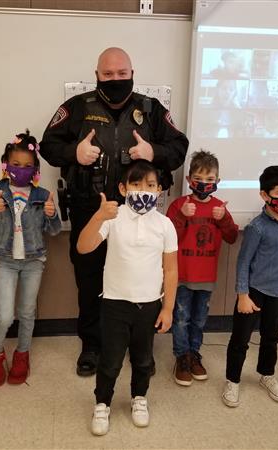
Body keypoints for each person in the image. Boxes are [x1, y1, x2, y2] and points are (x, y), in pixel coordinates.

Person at [39, 47, 188, 377]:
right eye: (108, 74)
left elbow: (179, 147)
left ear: (132, 74)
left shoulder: (151, 110)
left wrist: (153, 151)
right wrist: (74, 153)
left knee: (141, 279)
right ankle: (92, 346)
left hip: (140, 215)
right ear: (97, 75)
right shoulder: (76, 108)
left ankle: (139, 348)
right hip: (89, 209)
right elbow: (47, 146)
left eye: (122, 74)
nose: (116, 79)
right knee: (90, 278)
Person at [76, 160, 177, 436]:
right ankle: (102, 403)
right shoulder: (113, 217)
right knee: (110, 360)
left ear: (159, 191)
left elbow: (170, 269)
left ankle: (139, 398)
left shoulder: (165, 224)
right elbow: (83, 247)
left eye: (151, 185)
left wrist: (167, 308)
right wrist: (98, 217)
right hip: (114, 303)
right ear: (122, 188)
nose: (143, 190)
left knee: (144, 359)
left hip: (149, 304)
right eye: (136, 184)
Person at [0, 130, 62, 387]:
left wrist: (51, 213)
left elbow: (55, 231)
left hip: (34, 262)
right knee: (4, 315)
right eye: (15, 164)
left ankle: (22, 355)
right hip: (6, 261)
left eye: (27, 166)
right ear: (5, 165)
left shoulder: (41, 194)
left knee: (27, 313)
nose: (21, 170)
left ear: (35, 169)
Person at [222, 166, 278, 408]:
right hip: (253, 293)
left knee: (271, 336)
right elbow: (243, 262)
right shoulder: (257, 227)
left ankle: (267, 374)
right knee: (240, 339)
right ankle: (232, 380)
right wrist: (242, 295)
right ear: (265, 195)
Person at [166, 150, 238, 386]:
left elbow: (231, 237)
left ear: (218, 181)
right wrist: (182, 217)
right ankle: (182, 357)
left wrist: (224, 219)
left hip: (207, 277)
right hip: (182, 276)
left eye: (210, 180)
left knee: (198, 320)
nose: (204, 184)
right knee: (181, 320)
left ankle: (194, 354)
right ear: (189, 180)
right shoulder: (179, 205)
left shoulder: (219, 208)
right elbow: (168, 239)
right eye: (199, 178)